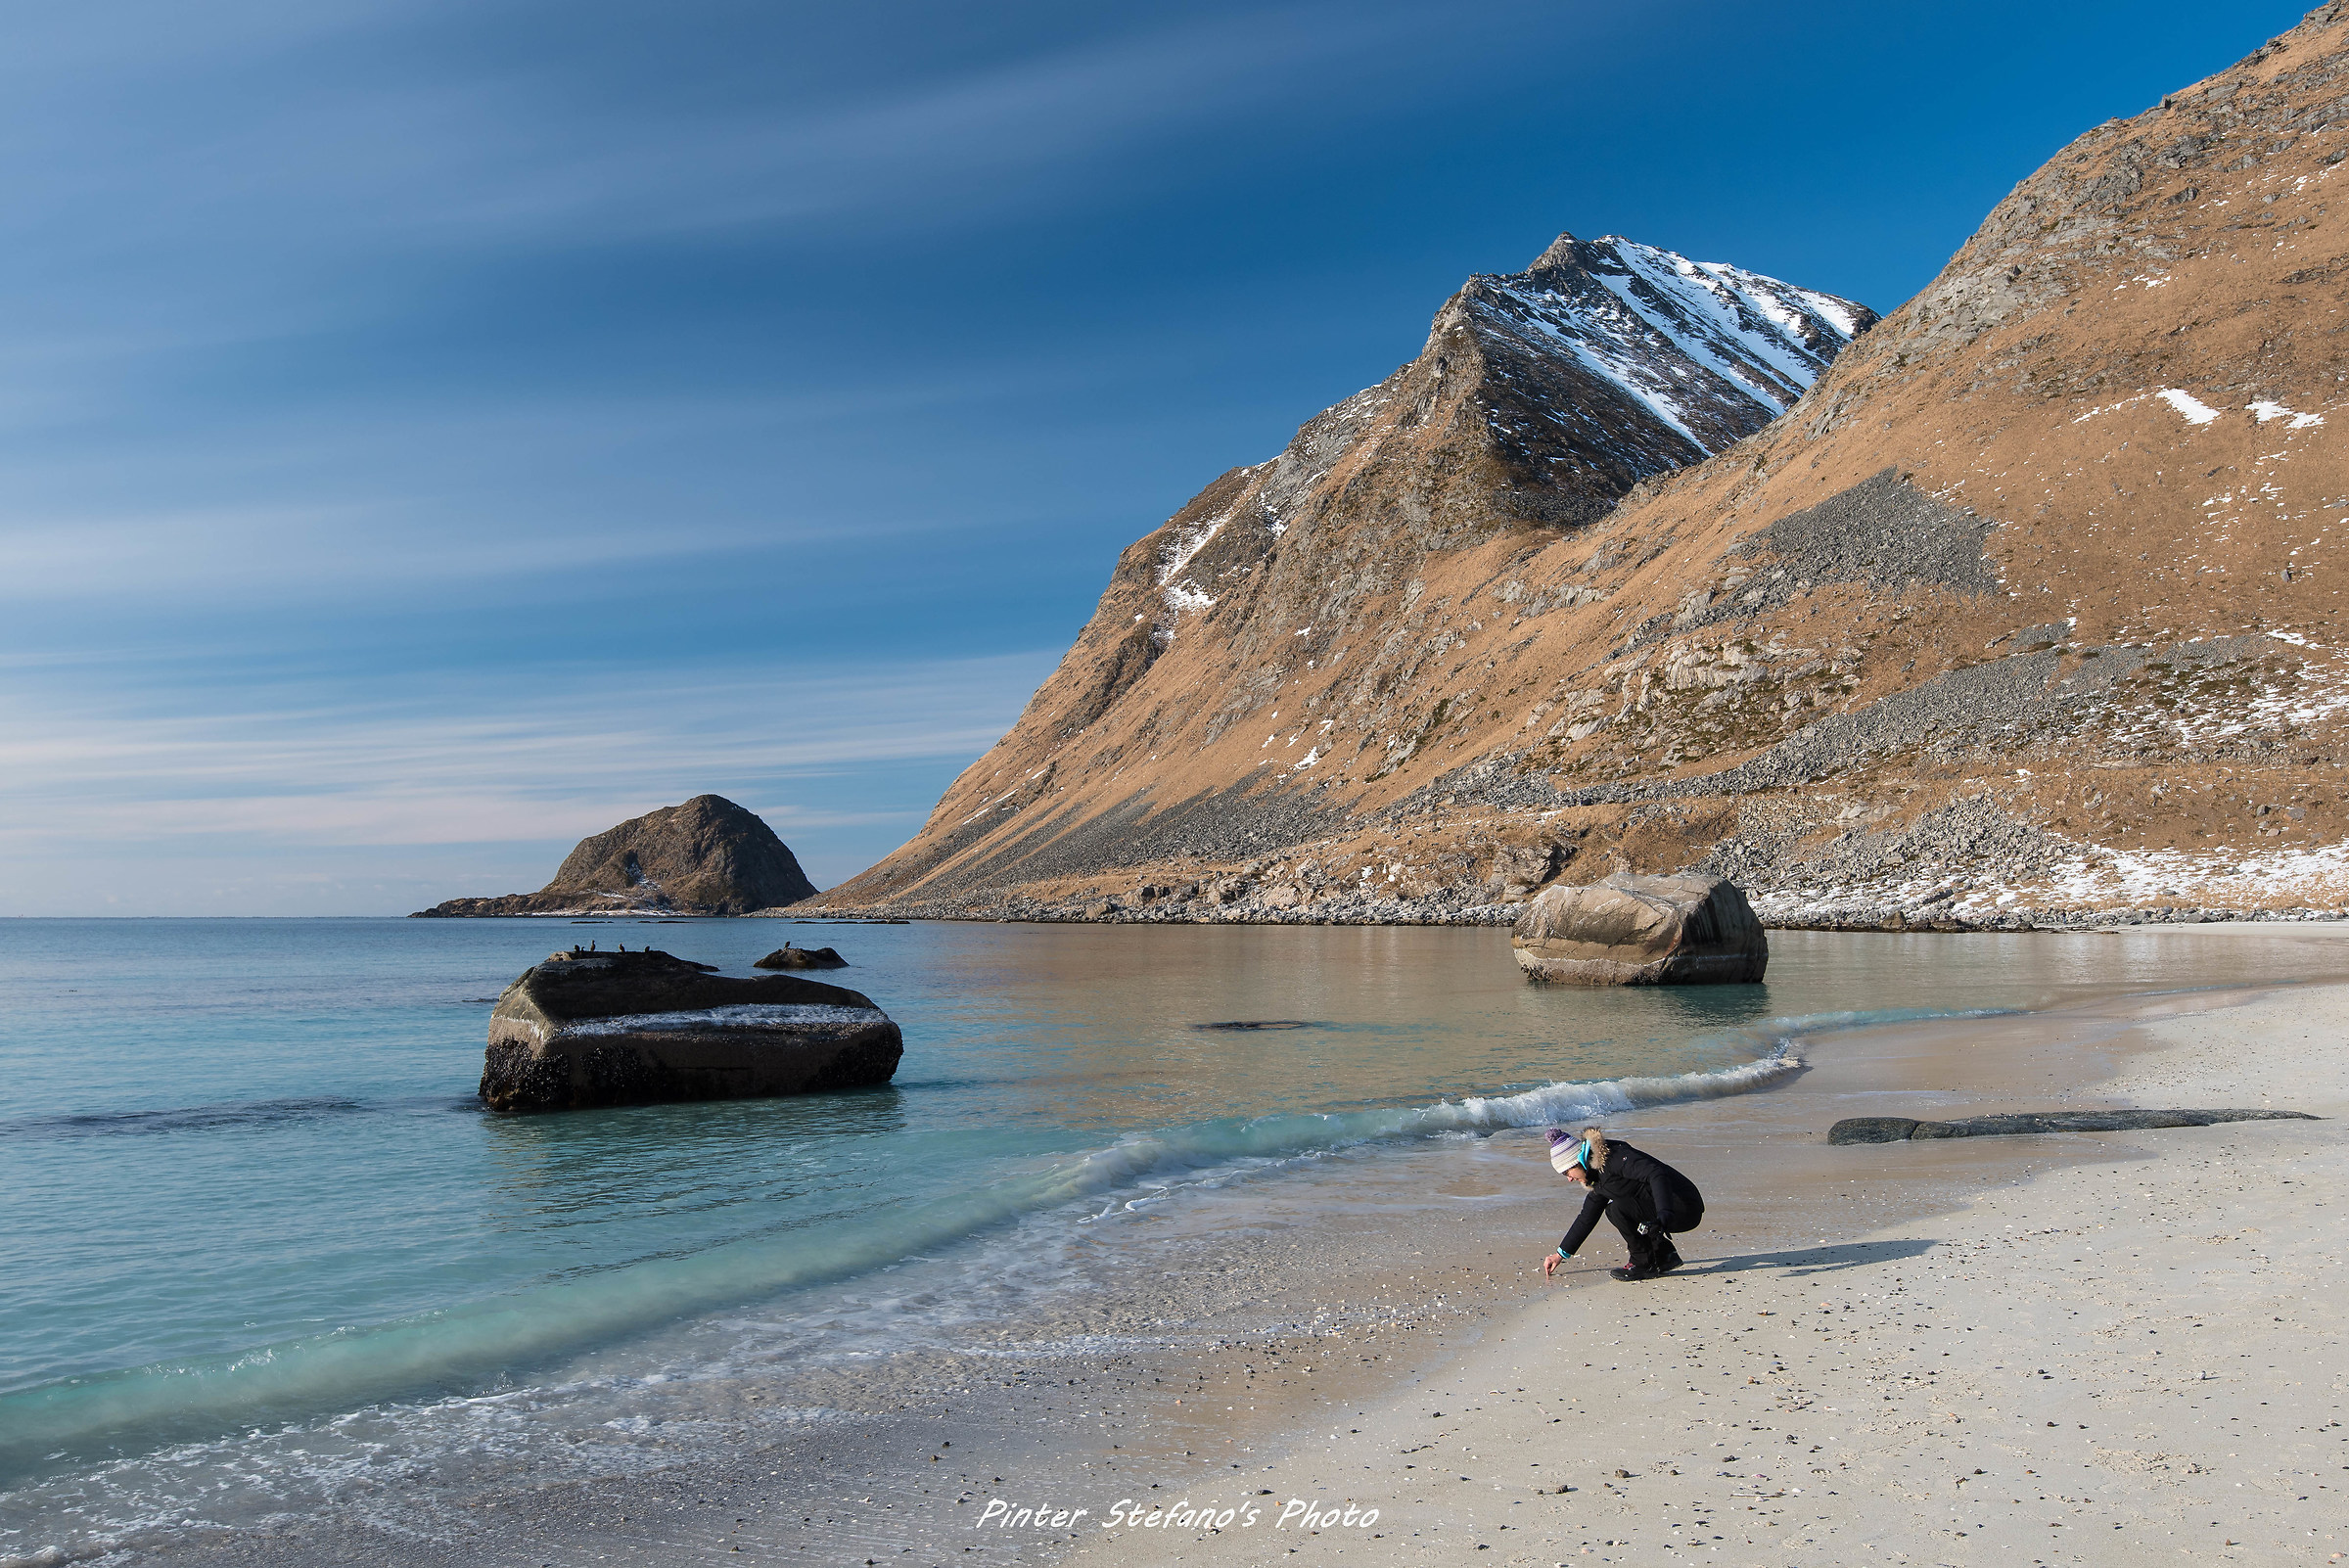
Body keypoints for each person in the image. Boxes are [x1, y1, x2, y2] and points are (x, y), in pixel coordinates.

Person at [1539, 1125, 1704, 1282]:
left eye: (1567, 1172)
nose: (1569, 1179)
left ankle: (1642, 1263)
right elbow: (1586, 1217)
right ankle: (1665, 1256)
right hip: (1668, 1210)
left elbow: (1656, 1174)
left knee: (1617, 1210)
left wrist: (1664, 1213)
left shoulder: (1614, 1158)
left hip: (1683, 1206)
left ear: (1578, 1161)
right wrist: (1559, 1254)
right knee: (1616, 1209)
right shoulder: (1597, 1178)